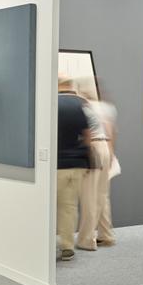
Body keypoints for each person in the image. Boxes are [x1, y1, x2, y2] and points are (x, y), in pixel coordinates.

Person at [56, 75, 92, 262]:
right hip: (77, 164)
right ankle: (67, 246)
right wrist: (88, 159)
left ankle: (42, 244)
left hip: (55, 165)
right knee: (69, 207)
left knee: (49, 206)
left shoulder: (51, 104)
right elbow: (87, 135)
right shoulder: (80, 105)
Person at [77, 89, 116, 250]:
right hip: (105, 146)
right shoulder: (103, 108)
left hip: (93, 147)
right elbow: (110, 130)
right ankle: (106, 235)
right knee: (102, 195)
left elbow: (84, 134)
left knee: (89, 196)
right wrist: (111, 153)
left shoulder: (85, 109)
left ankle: (87, 239)